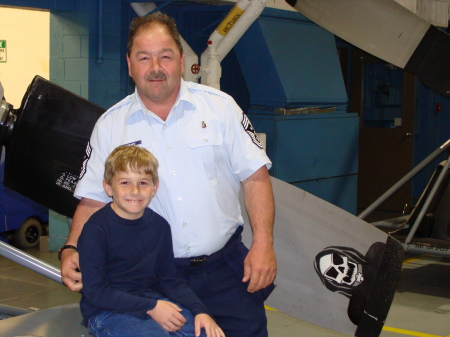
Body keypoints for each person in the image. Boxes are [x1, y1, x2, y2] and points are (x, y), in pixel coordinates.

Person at [60, 12, 276, 337]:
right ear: (130, 64)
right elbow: (92, 199)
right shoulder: (110, 125)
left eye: (165, 56)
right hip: (150, 278)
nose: (155, 67)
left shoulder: (221, 108)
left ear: (182, 59)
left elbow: (255, 178)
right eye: (144, 58)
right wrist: (72, 249)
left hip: (225, 271)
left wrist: (263, 243)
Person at [78, 145, 224, 337]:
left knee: (204, 333)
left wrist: (201, 311)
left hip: (153, 302)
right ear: (108, 187)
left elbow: (170, 280)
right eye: (124, 183)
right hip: (108, 311)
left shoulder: (160, 226)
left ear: (154, 188)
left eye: (143, 183)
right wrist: (151, 307)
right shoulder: (96, 230)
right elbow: (96, 293)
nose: (135, 191)